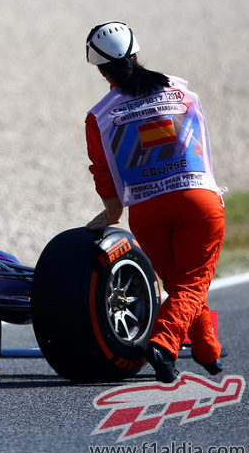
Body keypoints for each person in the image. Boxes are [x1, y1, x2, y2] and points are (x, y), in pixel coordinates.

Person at [83, 21, 225, 383]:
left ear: (101, 70)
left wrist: (113, 212)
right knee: (193, 283)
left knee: (182, 284)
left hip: (146, 212)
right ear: (136, 53)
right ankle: (162, 345)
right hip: (197, 201)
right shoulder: (183, 91)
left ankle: (208, 353)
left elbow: (103, 171)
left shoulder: (98, 115)